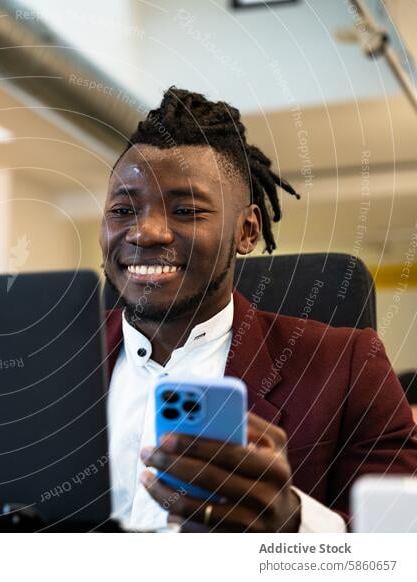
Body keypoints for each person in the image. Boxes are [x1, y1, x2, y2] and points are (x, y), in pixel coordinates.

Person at [100, 87, 417, 532]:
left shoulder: (348, 367)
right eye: (122, 209)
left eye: (187, 209)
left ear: (247, 231)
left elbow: (402, 546)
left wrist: (295, 524)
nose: (146, 232)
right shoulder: (47, 361)